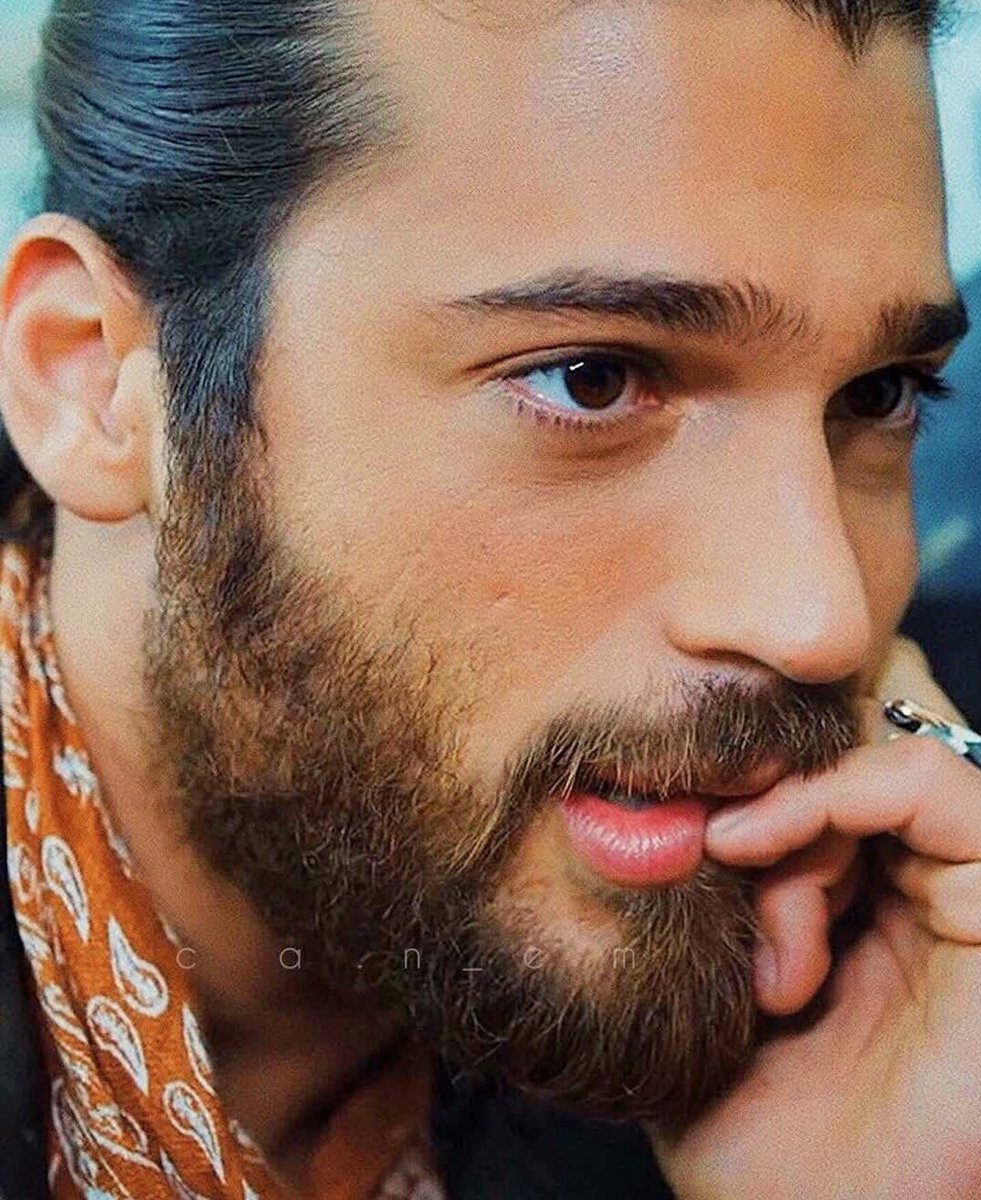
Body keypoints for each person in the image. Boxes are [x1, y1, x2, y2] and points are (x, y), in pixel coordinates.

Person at [0, 0, 979, 1196]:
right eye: (592, 379)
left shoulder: (897, 984)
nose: (821, 619)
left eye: (879, 395)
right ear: (91, 379)